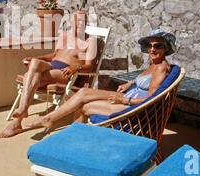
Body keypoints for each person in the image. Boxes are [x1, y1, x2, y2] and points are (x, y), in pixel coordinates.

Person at [26, 29, 177, 133]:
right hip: (128, 97)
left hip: (134, 110)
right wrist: (130, 83)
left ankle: (67, 134)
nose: (152, 49)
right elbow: (145, 81)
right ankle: (50, 120)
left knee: (83, 107)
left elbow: (152, 100)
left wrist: (124, 101)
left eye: (157, 46)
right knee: (84, 92)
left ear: (166, 49)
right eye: (149, 45)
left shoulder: (160, 69)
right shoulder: (155, 63)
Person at [0, 11, 98, 138]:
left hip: (66, 72)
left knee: (31, 76)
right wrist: (36, 57)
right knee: (34, 63)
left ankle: (17, 121)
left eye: (84, 21)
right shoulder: (64, 35)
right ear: (72, 22)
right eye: (78, 21)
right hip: (52, 65)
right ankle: (23, 109)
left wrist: (75, 67)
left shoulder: (90, 41)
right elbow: (54, 56)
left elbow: (89, 66)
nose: (81, 24)